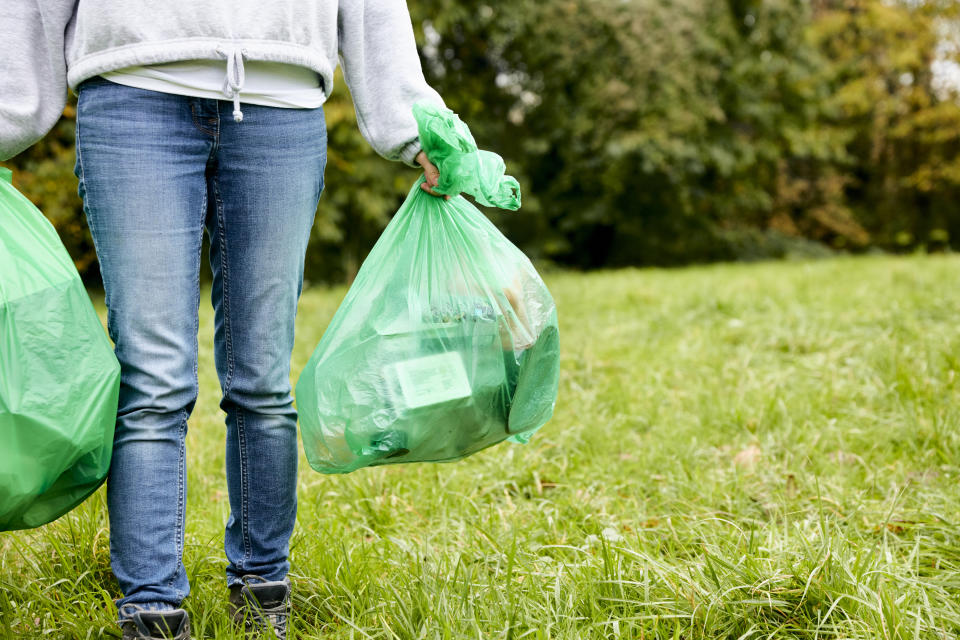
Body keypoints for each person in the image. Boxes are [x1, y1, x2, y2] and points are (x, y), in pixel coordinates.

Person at [1, 2, 446, 638]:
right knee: (151, 379)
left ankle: (263, 593)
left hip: (283, 106)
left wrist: (414, 128)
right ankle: (151, 610)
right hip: (134, 98)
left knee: (262, 379)